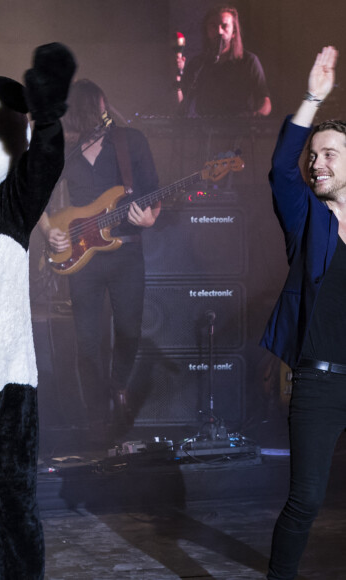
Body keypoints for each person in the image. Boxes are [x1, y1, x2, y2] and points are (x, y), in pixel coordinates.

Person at [38, 79, 160, 445]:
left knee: (129, 330)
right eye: (96, 110)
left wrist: (150, 217)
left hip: (126, 250)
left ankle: (119, 387)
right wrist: (48, 231)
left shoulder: (130, 142)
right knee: (88, 342)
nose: (103, 115)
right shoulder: (64, 149)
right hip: (83, 257)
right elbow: (34, 194)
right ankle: (97, 417)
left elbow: (154, 190)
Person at [260, 45, 342, 580]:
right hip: (319, 384)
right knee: (306, 501)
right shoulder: (307, 220)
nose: (317, 163)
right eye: (314, 155)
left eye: (331, 153)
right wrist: (313, 98)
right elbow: (280, 172)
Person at [176, 4, 271, 117]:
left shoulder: (249, 61)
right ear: (207, 31)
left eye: (224, 26)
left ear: (234, 33)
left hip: (239, 129)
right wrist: (176, 76)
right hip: (205, 130)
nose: (219, 31)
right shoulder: (199, 63)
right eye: (213, 26)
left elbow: (265, 101)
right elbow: (181, 106)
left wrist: (257, 115)